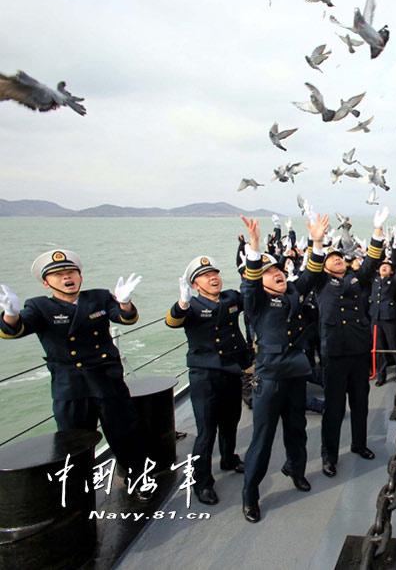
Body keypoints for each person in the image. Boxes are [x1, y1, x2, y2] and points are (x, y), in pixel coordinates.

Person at [0, 251, 151, 501]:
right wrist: (11, 314)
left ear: (80, 276)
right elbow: (14, 330)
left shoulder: (99, 298)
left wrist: (124, 303)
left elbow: (126, 318)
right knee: (74, 442)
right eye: (58, 275)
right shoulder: (39, 306)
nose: (66, 277)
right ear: (46, 283)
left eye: (70, 273)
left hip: (107, 380)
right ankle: (78, 492)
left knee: (126, 433)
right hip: (70, 386)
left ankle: (138, 479)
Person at [238, 213, 328, 523]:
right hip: (270, 379)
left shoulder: (292, 293)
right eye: (269, 272)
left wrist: (316, 242)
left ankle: (296, 470)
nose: (276, 273)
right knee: (262, 439)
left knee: (297, 431)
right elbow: (248, 287)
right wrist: (253, 246)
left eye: (278, 269)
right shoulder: (256, 302)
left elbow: (312, 275)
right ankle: (250, 494)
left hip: (295, 376)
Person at [165, 255, 252, 505]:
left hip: (231, 371)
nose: (212, 277)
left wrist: (254, 266)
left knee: (231, 420)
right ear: (195, 284)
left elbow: (252, 297)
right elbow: (172, 321)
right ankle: (202, 482)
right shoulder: (190, 305)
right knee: (206, 431)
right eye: (205, 275)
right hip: (204, 376)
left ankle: (228, 458)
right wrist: (181, 303)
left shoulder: (230, 298)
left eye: (215, 273)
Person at [312, 208, 388, 478]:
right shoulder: (320, 283)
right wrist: (318, 243)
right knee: (333, 409)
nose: (338, 262)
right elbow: (315, 264)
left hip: (358, 351)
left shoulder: (356, 279)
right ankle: (329, 455)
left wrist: (377, 233)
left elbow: (370, 263)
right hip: (334, 353)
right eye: (332, 260)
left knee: (360, 404)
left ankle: (359, 444)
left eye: (340, 259)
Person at [370, 258, 396, 385]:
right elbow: (368, 266)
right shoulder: (374, 280)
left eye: (387, 266)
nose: (384, 267)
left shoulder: (393, 281)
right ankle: (381, 375)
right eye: (382, 266)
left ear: (391, 272)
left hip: (389, 316)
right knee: (378, 348)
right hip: (375, 316)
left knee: (393, 345)